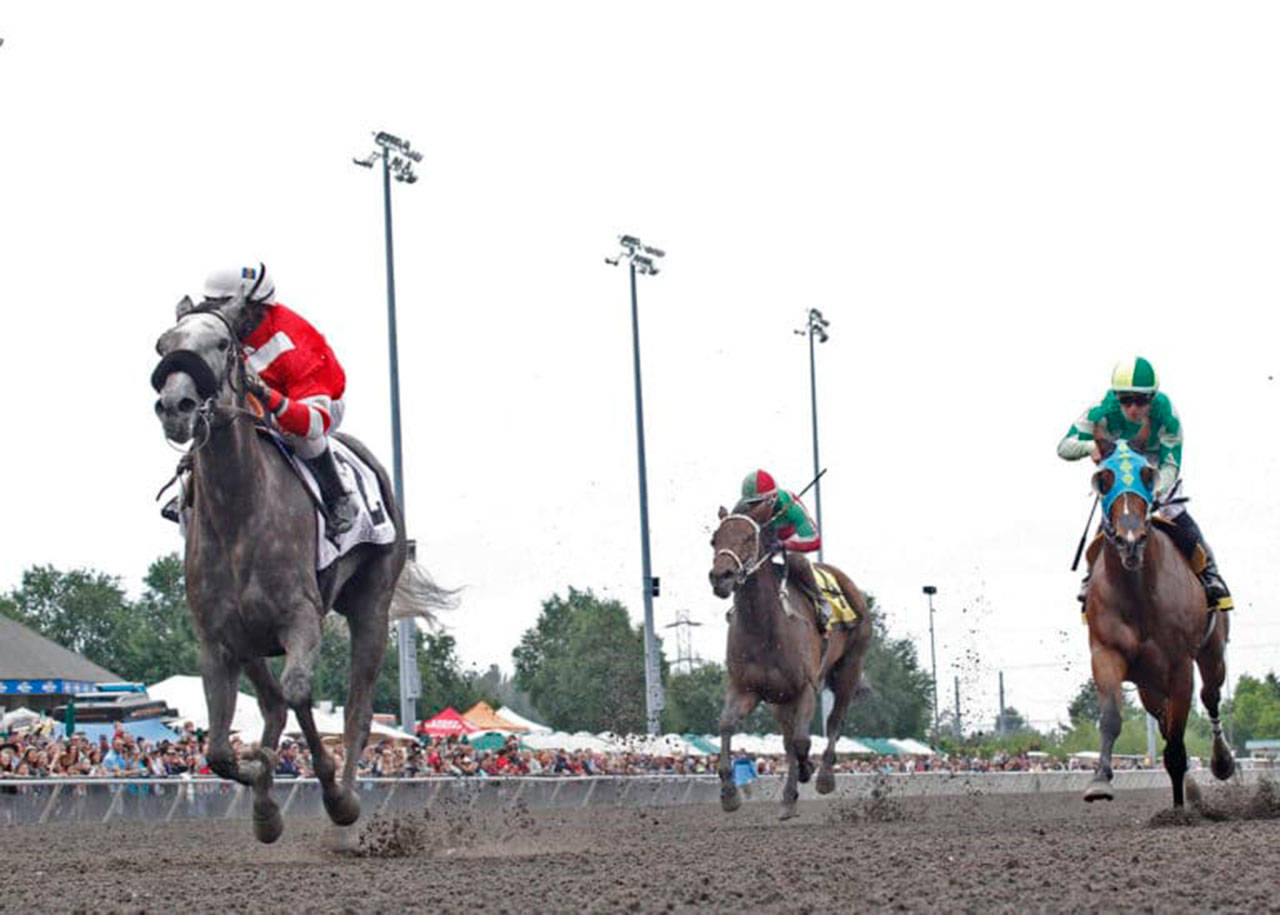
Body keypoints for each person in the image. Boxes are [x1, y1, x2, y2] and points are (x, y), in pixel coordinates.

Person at [164, 263, 358, 533]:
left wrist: (268, 396)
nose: (219, 315)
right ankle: (192, 486)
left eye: (226, 305)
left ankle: (337, 496)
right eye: (211, 304)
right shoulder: (223, 328)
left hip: (311, 407)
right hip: (256, 400)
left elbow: (314, 422)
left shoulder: (295, 345)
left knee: (296, 434)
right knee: (213, 411)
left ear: (253, 306)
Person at [1057, 356, 1232, 611]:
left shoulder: (1166, 413)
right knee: (1115, 517)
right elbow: (1063, 447)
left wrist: (1157, 491)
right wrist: (1089, 446)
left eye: (1141, 401)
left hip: (1153, 469)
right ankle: (1090, 579)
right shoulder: (1100, 411)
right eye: (1126, 400)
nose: (1133, 409)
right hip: (1119, 472)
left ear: (1153, 397)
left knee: (1174, 511)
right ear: (1116, 397)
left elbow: (1171, 463)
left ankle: (1210, 575)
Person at [736, 469, 833, 621]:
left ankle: (820, 600)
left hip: (788, 540)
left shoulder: (791, 506)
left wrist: (785, 544)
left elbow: (815, 540)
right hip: (763, 540)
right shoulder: (741, 508)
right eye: (750, 505)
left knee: (797, 561)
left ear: (772, 499)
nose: (752, 510)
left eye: (757, 505)